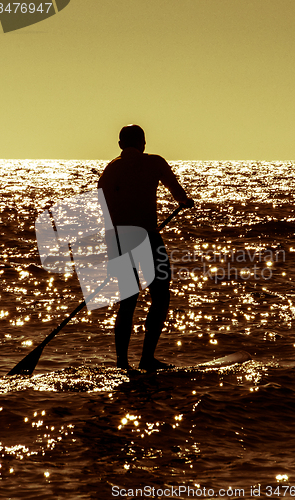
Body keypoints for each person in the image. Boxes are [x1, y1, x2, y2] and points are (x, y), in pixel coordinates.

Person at [98, 124, 194, 371]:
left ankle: (122, 363)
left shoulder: (111, 169)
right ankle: (147, 358)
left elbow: (104, 208)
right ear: (143, 143)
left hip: (119, 241)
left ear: (121, 145)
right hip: (149, 239)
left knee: (127, 301)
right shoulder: (155, 163)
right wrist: (185, 203)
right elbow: (179, 195)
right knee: (160, 296)